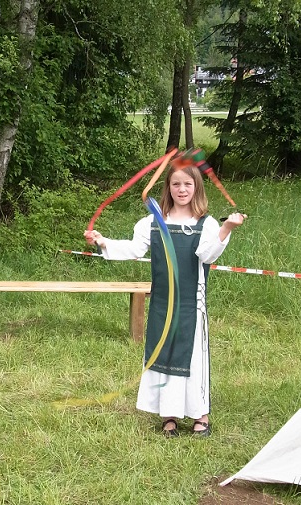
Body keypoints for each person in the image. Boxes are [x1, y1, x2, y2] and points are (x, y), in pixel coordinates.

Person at [84, 160, 246, 438]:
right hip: (162, 303)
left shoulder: (206, 224)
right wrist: (103, 241)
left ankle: (200, 416)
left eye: (187, 184)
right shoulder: (153, 222)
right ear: (168, 187)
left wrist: (227, 228)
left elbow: (207, 254)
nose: (182, 189)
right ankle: (168, 415)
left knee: (192, 359)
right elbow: (134, 249)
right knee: (163, 355)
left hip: (191, 305)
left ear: (196, 187)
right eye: (176, 184)